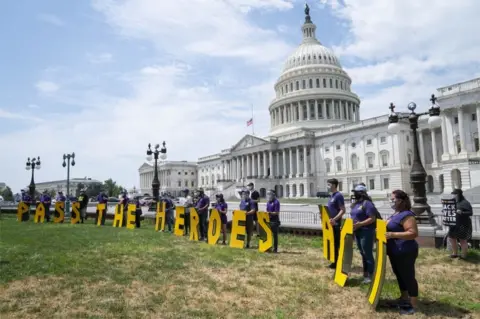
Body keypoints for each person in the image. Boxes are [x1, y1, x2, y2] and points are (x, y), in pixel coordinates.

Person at [385, 190, 419, 315]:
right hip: (394, 251)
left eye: (393, 199)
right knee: (399, 274)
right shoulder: (395, 214)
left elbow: (413, 233)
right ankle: (404, 297)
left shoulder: (407, 215)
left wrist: (393, 234)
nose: (391, 201)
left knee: (408, 276)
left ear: (401, 201)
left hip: (405, 250)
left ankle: (413, 304)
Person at [350, 184, 376, 284]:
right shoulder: (356, 204)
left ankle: (371, 274)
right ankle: (365, 274)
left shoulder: (367, 204)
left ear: (361, 193)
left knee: (367, 253)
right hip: (357, 232)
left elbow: (372, 218)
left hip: (366, 231)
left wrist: (360, 224)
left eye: (355, 192)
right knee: (362, 253)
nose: (354, 194)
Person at [326, 178, 345, 269]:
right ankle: (334, 261)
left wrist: (335, 219)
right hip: (331, 224)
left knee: (337, 244)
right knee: (332, 243)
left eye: (328, 184)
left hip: (336, 225)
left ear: (333, 185)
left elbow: (342, 210)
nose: (327, 186)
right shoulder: (331, 196)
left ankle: (339, 262)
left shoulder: (338, 196)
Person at [448, 189, 473, 259]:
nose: (453, 195)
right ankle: (454, 253)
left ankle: (463, 255)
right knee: (451, 238)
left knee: (462, 240)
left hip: (463, 224)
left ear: (458, 194)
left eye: (454, 194)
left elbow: (470, 213)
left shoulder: (465, 203)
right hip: (453, 223)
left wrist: (462, 212)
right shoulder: (453, 202)